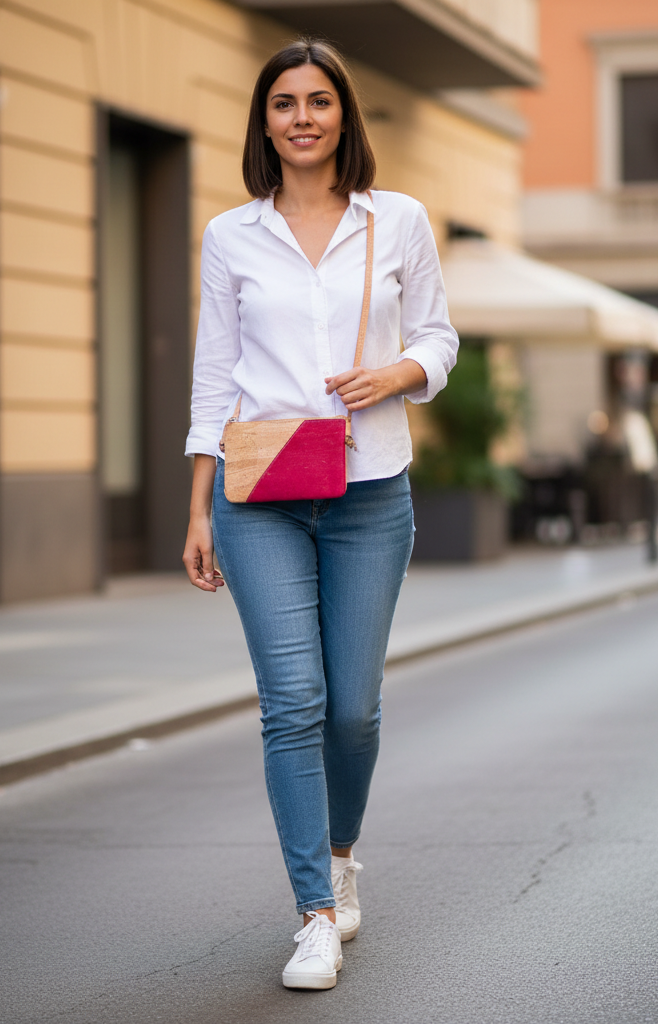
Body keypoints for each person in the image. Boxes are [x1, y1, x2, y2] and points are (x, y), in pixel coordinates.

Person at [182, 39, 458, 990]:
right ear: (263, 122)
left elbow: (439, 335)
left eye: (318, 101)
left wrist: (398, 373)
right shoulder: (231, 236)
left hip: (369, 490)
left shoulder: (398, 219)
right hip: (259, 494)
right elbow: (214, 375)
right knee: (293, 702)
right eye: (284, 103)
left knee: (352, 708)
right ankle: (312, 914)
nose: (302, 117)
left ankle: (341, 860)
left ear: (344, 115)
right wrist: (199, 506)